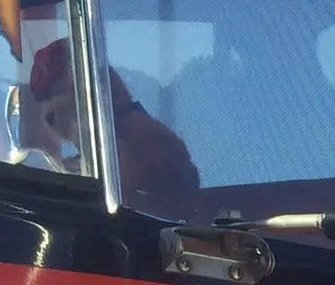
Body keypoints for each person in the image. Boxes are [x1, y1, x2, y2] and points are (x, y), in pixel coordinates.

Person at [17, 36, 203, 219]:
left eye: (71, 102)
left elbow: (125, 205)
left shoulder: (138, 141)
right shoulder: (79, 162)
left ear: (98, 91)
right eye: (52, 116)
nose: (60, 122)